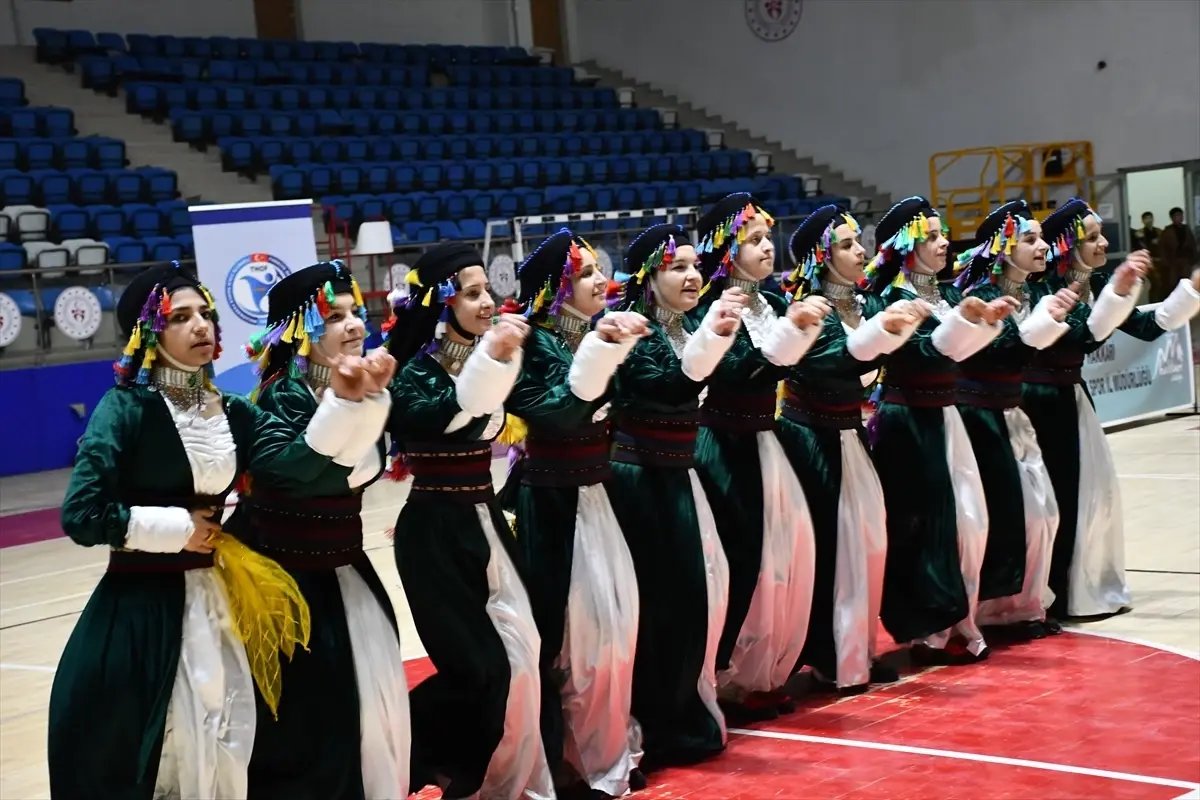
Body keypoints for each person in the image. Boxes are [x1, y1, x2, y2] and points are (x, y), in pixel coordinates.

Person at [49, 261, 389, 798]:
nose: (200, 325)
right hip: (142, 608)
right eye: (180, 317)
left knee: (226, 737)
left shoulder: (232, 411)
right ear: (148, 332)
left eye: (205, 313)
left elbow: (296, 469)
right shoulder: (125, 408)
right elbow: (83, 513)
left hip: (216, 596)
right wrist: (176, 529)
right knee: (169, 747)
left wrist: (351, 404)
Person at [385, 242, 554, 800]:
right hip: (435, 533)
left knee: (526, 651)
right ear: (443, 302)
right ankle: (427, 757)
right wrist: (494, 359)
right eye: (472, 293)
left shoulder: (491, 358)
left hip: (485, 520)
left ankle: (508, 777)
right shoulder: (413, 375)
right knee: (480, 669)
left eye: (489, 291)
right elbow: (452, 412)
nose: (488, 303)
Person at [234, 259, 409, 799]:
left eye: (354, 312)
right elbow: (297, 472)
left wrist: (366, 400)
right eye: (334, 317)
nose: (354, 325)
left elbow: (358, 468)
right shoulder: (281, 395)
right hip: (293, 581)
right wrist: (354, 405)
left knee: (375, 704)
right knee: (318, 722)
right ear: (300, 330)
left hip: (343, 563)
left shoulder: (356, 383)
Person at [503, 228, 650, 799]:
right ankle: (574, 759)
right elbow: (561, 414)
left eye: (598, 271)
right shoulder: (534, 345)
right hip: (554, 502)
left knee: (616, 627)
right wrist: (605, 353)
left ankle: (610, 749)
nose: (599, 282)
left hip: (596, 493)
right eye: (585, 274)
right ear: (555, 288)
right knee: (578, 639)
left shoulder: (595, 333)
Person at [606, 223, 742, 769]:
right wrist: (713, 336)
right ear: (647, 278)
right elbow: (669, 386)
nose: (692, 276)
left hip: (681, 474)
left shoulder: (688, 325)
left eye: (695, 266)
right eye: (677, 267)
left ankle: (681, 711)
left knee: (697, 598)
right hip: (641, 482)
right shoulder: (634, 332)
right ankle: (652, 721)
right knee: (661, 605)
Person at [687, 193, 826, 720]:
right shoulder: (712, 307)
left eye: (768, 238)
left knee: (785, 556)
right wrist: (794, 334)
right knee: (745, 558)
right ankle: (730, 677)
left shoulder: (768, 301)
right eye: (754, 241)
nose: (768, 248)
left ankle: (766, 671)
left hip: (768, 437)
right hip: (726, 443)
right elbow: (739, 372)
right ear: (726, 250)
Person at [863, 196, 1018, 665]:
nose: (943, 242)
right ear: (906, 246)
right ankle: (930, 630)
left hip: (947, 416)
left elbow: (963, 354)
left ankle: (960, 619)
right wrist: (970, 322)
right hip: (909, 421)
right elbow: (923, 354)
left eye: (942, 233)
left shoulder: (948, 295)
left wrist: (987, 324)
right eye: (931, 236)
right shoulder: (889, 301)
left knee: (970, 522)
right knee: (924, 528)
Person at [1028, 198, 1200, 618]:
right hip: (1038, 404)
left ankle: (1083, 587)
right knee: (1057, 501)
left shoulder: (1097, 282)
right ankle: (1051, 593)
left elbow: (1150, 325)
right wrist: (1118, 292)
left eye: (1101, 234)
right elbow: (1083, 335)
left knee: (1094, 495)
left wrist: (1193, 289)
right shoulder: (1043, 288)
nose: (1103, 242)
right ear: (1068, 246)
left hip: (1073, 397)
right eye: (1092, 237)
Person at [776, 205, 924, 693]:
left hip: (850, 434)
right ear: (821, 256)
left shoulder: (865, 304)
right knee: (834, 550)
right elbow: (832, 364)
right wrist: (885, 333)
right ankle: (831, 654)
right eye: (846, 244)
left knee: (868, 544)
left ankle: (858, 649)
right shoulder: (809, 310)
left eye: (858, 242)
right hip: (814, 438)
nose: (861, 251)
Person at [951, 201, 1082, 639]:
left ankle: (1026, 605)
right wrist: (1045, 321)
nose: (1043, 246)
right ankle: (992, 610)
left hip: (1014, 411)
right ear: (1004, 250)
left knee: (1044, 513)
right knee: (1006, 517)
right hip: (981, 416)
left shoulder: (1036, 296)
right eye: (1030, 239)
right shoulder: (984, 299)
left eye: (1041, 238)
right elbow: (1005, 351)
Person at [1157, 206, 1198, 302]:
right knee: (1173, 285)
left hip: (1186, 262)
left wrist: (1194, 260)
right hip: (1173, 263)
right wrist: (1166, 263)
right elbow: (1162, 248)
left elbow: (1193, 245)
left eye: (1180, 215)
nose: (1179, 218)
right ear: (1172, 218)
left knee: (1187, 284)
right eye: (1176, 216)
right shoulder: (1167, 231)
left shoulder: (1186, 229)